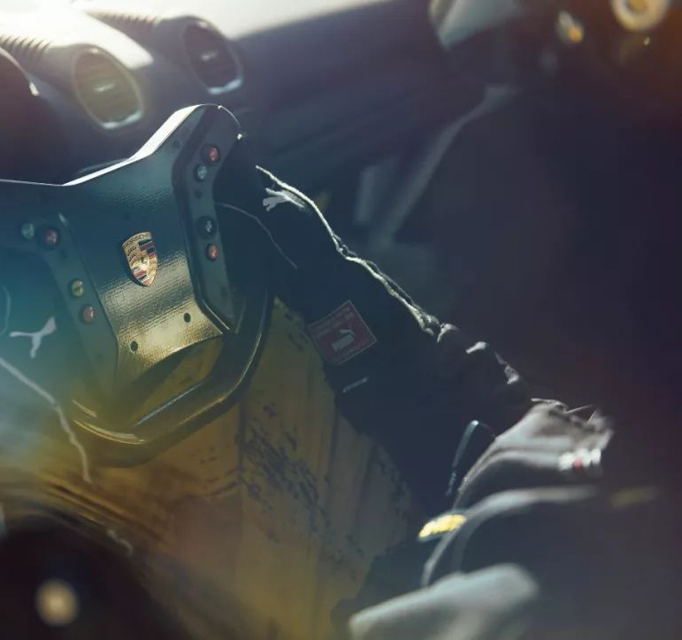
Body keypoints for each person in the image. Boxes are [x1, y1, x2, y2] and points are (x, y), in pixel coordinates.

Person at [217, 157, 682, 639]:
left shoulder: (561, 613)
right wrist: (336, 293)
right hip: (432, 519)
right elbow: (511, 435)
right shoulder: (637, 460)